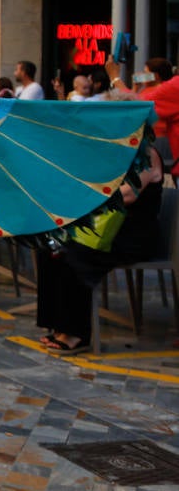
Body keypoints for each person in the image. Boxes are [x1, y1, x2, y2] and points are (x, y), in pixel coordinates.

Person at [36, 145, 163, 352]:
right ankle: (58, 324)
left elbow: (129, 194)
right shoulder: (114, 151)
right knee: (50, 247)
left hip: (131, 235)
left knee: (74, 253)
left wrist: (86, 200)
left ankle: (77, 333)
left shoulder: (147, 154)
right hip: (106, 229)